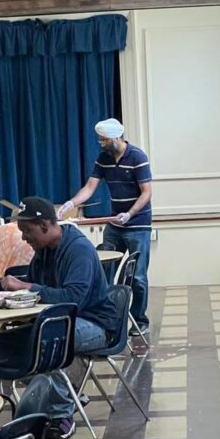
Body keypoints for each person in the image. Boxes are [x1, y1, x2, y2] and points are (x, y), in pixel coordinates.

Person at [0, 196, 116, 439]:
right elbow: (29, 286)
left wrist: (28, 287)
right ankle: (64, 391)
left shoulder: (78, 250)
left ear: (45, 226)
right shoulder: (43, 250)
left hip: (95, 323)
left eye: (27, 231)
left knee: (48, 340)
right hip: (60, 323)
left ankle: (62, 414)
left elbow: (74, 299)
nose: (24, 238)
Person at [59, 117, 154, 333]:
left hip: (138, 225)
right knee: (103, 271)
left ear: (115, 137)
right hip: (114, 223)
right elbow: (89, 187)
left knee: (137, 276)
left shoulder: (137, 157)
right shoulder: (104, 158)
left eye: (103, 140)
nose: (101, 144)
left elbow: (147, 192)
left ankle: (140, 321)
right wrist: (71, 203)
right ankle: (106, 317)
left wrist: (129, 214)